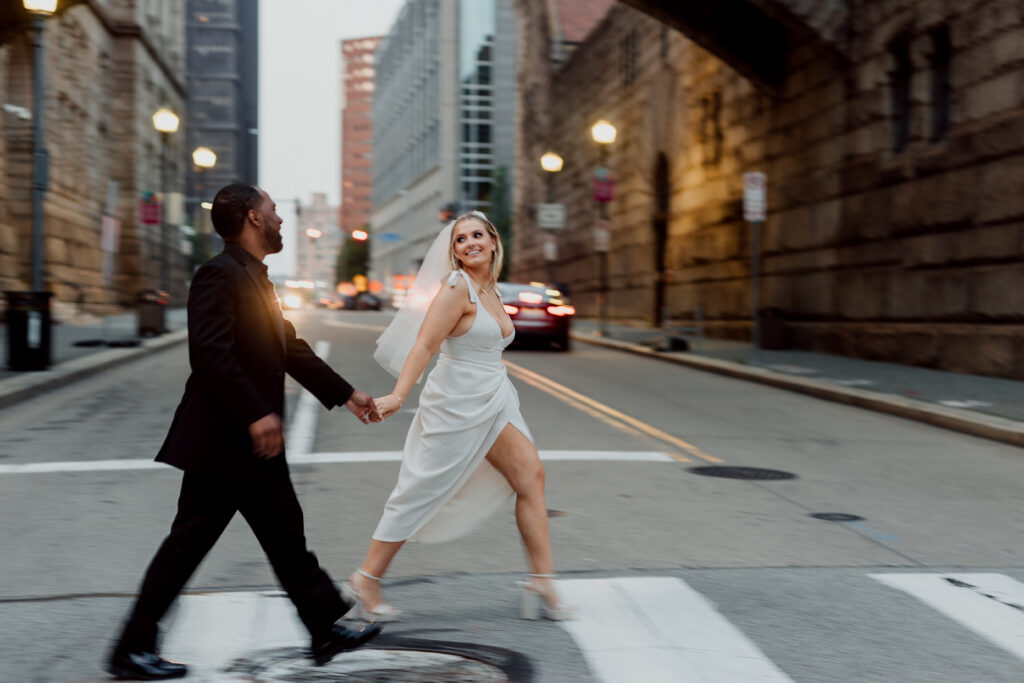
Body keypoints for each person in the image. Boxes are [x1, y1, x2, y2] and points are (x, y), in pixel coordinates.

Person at [107, 184, 382, 680]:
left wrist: (347, 394)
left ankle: (323, 628)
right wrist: (255, 414)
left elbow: (290, 348)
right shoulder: (219, 275)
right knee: (187, 545)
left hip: (256, 443)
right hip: (224, 439)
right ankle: (131, 648)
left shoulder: (255, 278)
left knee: (285, 536)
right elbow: (210, 354)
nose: (281, 220)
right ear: (253, 218)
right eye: (274, 212)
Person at [344, 211, 572, 623]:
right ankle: (366, 577)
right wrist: (399, 394)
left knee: (531, 476)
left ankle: (542, 579)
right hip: (455, 402)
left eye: (477, 235)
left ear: (493, 241)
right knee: (420, 491)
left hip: (495, 397)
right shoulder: (456, 288)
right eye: (460, 239)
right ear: (454, 251)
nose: (470, 243)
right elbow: (424, 345)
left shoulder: (491, 290)